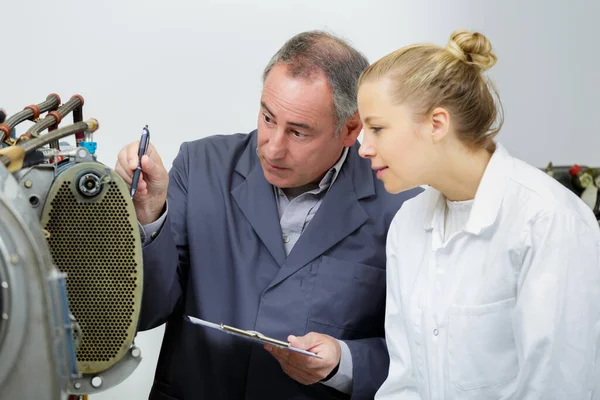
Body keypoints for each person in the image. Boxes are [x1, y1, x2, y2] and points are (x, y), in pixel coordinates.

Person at [115, 30, 421, 399]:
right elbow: (144, 313)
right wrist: (149, 214)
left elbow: (421, 357)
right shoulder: (200, 166)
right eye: (268, 118)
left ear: (350, 129)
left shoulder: (402, 206)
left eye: (298, 132)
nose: (273, 149)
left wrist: (345, 361)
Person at [356, 28, 600, 399]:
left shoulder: (548, 219)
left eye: (376, 128)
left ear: (437, 124)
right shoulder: (407, 225)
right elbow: (404, 383)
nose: (364, 148)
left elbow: (559, 387)